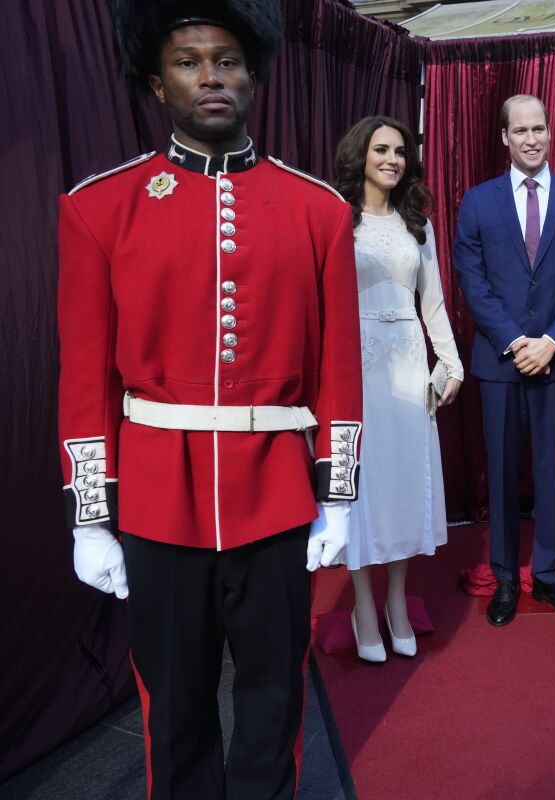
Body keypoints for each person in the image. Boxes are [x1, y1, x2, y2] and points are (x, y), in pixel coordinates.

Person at [59, 2, 362, 796]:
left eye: (226, 60)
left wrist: (340, 496)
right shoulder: (99, 208)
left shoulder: (319, 211)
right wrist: (91, 514)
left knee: (274, 698)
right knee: (176, 705)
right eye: (189, 62)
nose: (210, 77)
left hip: (277, 494)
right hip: (157, 499)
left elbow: (339, 369)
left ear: (254, 73)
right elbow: (86, 375)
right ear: (158, 83)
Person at [452, 94, 555, 627]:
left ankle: (546, 576)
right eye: (521, 131)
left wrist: (551, 343)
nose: (532, 138)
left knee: (552, 470)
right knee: (501, 471)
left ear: (550, 132)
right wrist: (517, 342)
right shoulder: (476, 202)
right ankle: (503, 579)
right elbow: (472, 282)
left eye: (539, 128)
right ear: (504, 137)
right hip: (501, 361)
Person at [333, 116, 463, 661]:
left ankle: (395, 599)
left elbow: (431, 301)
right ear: (360, 153)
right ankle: (363, 603)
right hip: (357, 365)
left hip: (410, 363)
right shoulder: (339, 219)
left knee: (406, 481)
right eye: (382, 149)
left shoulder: (418, 224)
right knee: (364, 485)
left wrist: (451, 363)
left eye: (401, 151)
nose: (392, 159)